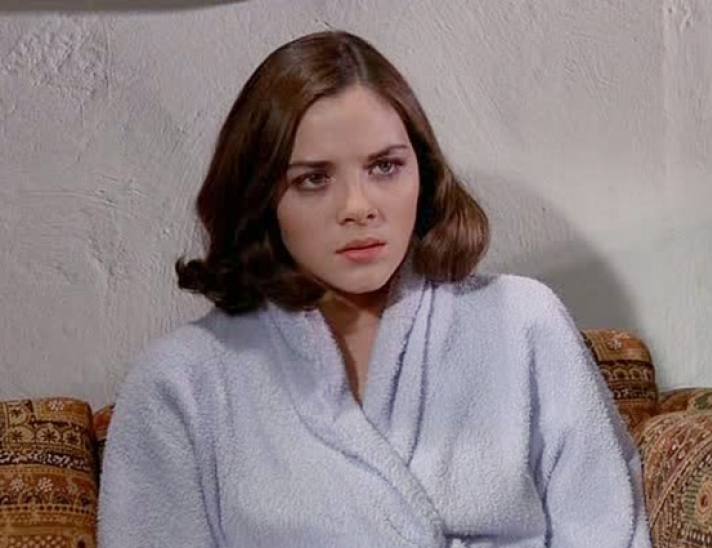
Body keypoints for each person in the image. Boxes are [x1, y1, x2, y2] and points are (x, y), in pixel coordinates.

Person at [98, 30, 651, 548]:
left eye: (385, 167)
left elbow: (608, 528)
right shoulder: (181, 382)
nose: (358, 207)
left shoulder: (522, 320)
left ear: (424, 173)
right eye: (313, 179)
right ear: (261, 196)